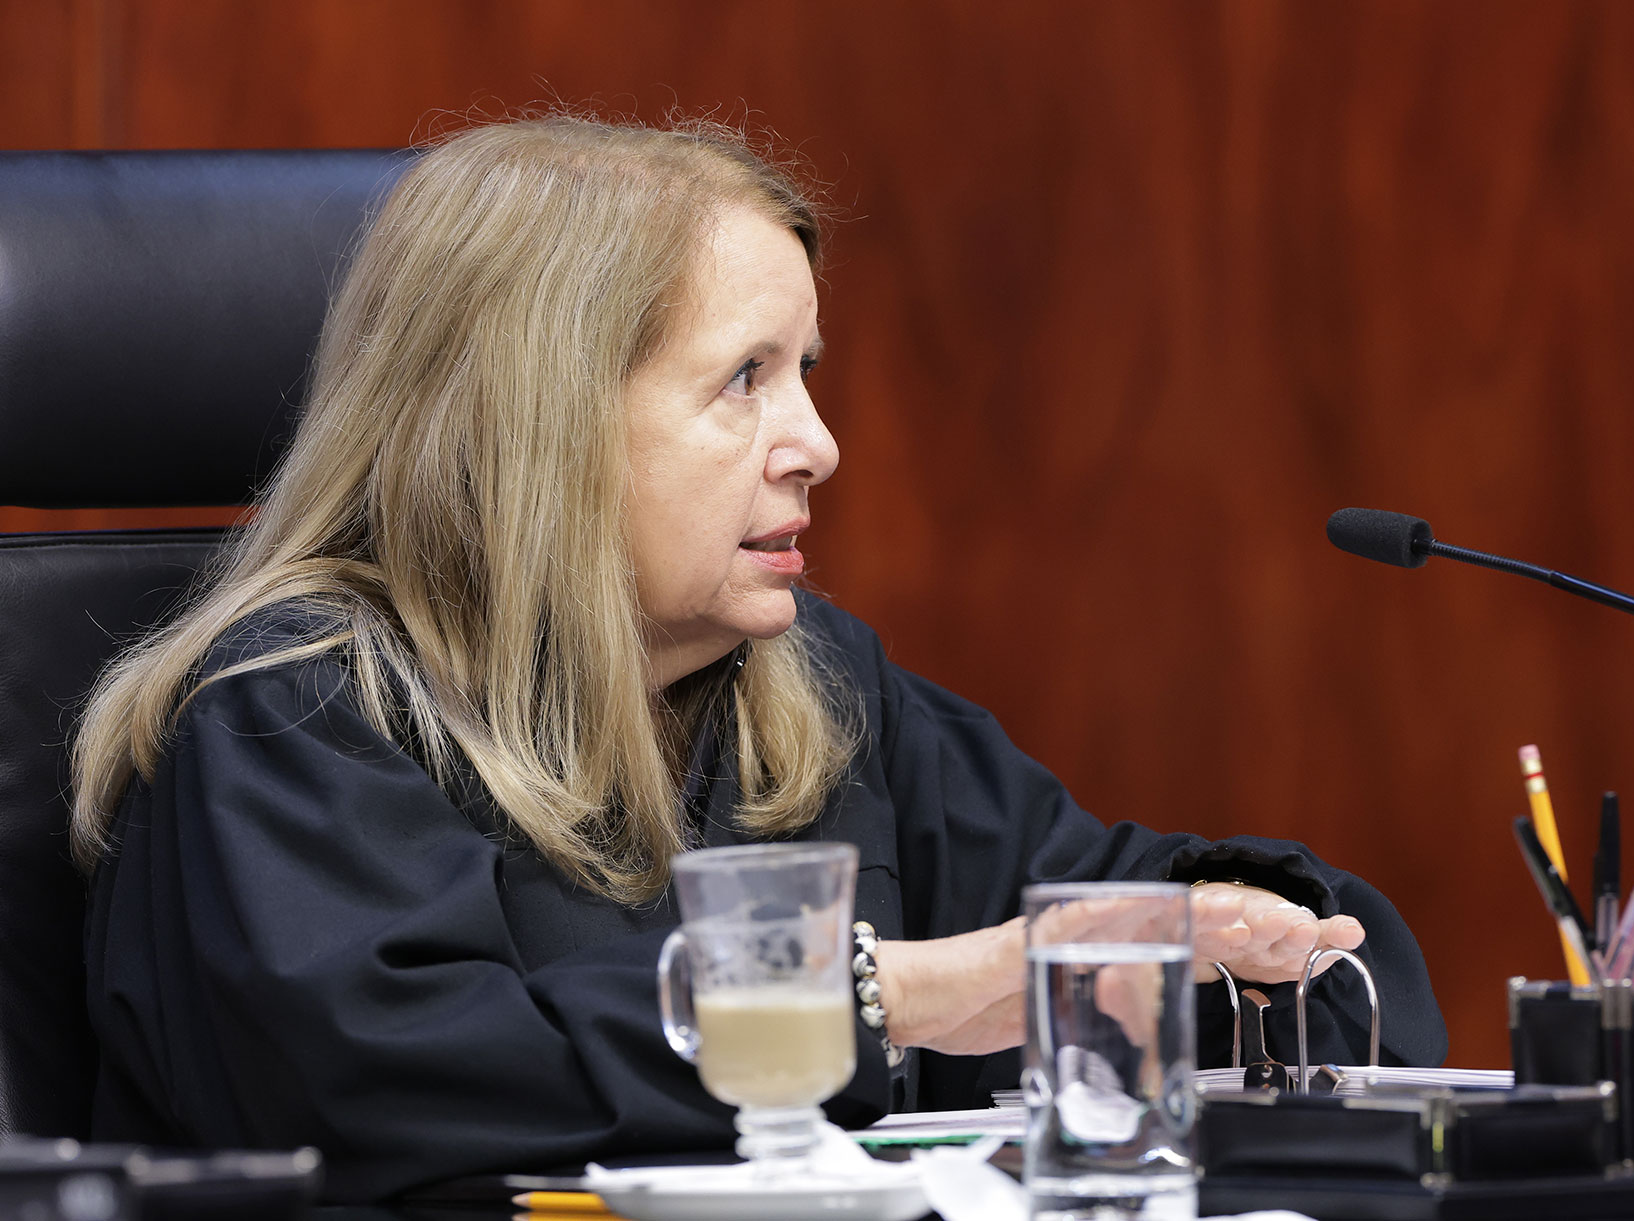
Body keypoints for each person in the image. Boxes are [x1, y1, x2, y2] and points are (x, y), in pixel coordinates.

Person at [71, 115, 1446, 1203]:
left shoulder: (812, 690)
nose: (819, 445)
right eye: (745, 379)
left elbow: (1110, 911)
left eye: (807, 372)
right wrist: (894, 994)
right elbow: (405, 1083)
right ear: (540, 425)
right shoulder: (291, 713)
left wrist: (1256, 953)